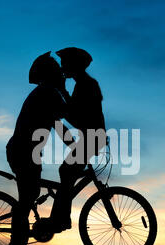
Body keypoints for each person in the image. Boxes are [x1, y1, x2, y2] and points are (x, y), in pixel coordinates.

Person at [4, 52, 68, 245]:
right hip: (24, 151)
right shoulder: (47, 93)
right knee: (26, 199)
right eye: (58, 71)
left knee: (29, 195)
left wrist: (73, 143)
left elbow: (57, 124)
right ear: (51, 74)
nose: (62, 74)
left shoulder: (45, 92)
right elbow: (66, 118)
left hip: (23, 150)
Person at [48, 47, 107, 233]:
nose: (62, 67)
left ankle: (61, 219)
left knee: (66, 171)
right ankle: (59, 218)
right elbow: (74, 115)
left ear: (74, 65)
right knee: (67, 172)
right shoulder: (83, 83)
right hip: (91, 137)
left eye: (65, 63)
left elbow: (75, 117)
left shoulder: (86, 85)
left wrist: (62, 96)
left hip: (93, 137)